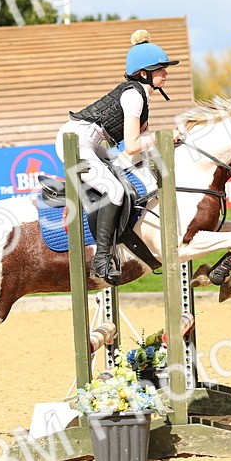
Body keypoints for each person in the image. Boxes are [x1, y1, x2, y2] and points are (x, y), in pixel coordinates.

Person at [56, 29, 177, 284]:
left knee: (124, 175)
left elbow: (141, 146)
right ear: (144, 73)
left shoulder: (143, 96)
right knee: (115, 190)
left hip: (93, 142)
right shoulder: (134, 96)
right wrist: (167, 135)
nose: (166, 73)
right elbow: (133, 146)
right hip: (76, 142)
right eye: (161, 69)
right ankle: (101, 259)